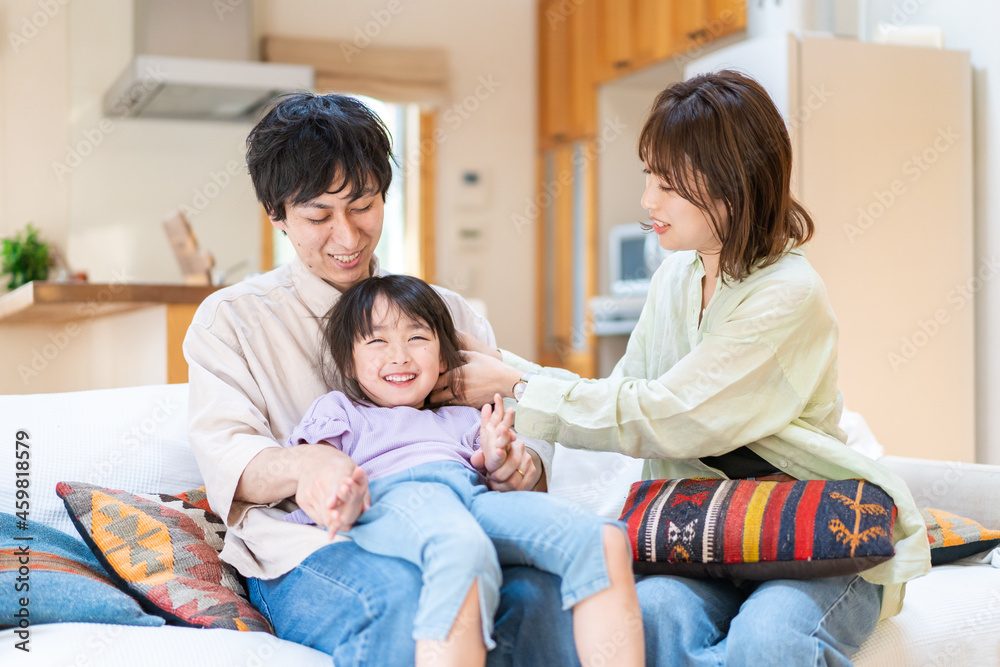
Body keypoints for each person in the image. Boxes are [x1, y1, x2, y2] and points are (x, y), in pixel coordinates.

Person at [435, 70, 932, 666]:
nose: (648, 200)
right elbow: (623, 394)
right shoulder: (676, 275)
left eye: (668, 184)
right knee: (650, 619)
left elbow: (671, 416)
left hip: (810, 535)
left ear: (733, 185)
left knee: (769, 641)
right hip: (701, 533)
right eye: (649, 174)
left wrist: (517, 383)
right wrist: (500, 365)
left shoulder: (790, 294)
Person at [183, 92, 584, 665]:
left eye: (363, 206)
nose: (348, 238)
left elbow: (516, 416)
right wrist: (307, 466)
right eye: (318, 217)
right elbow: (228, 455)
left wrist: (524, 466)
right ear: (276, 213)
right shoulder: (232, 320)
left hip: (457, 524)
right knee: (403, 596)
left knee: (545, 594)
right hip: (311, 547)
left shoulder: (443, 311)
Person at [282, 273, 643, 666]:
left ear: (442, 356)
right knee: (461, 548)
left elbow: (496, 476)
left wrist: (497, 457)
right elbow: (317, 469)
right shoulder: (340, 409)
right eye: (377, 341)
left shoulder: (463, 414)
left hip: (470, 497)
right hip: (394, 498)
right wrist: (341, 494)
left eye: (417, 337)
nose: (400, 355)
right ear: (348, 362)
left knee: (603, 539)